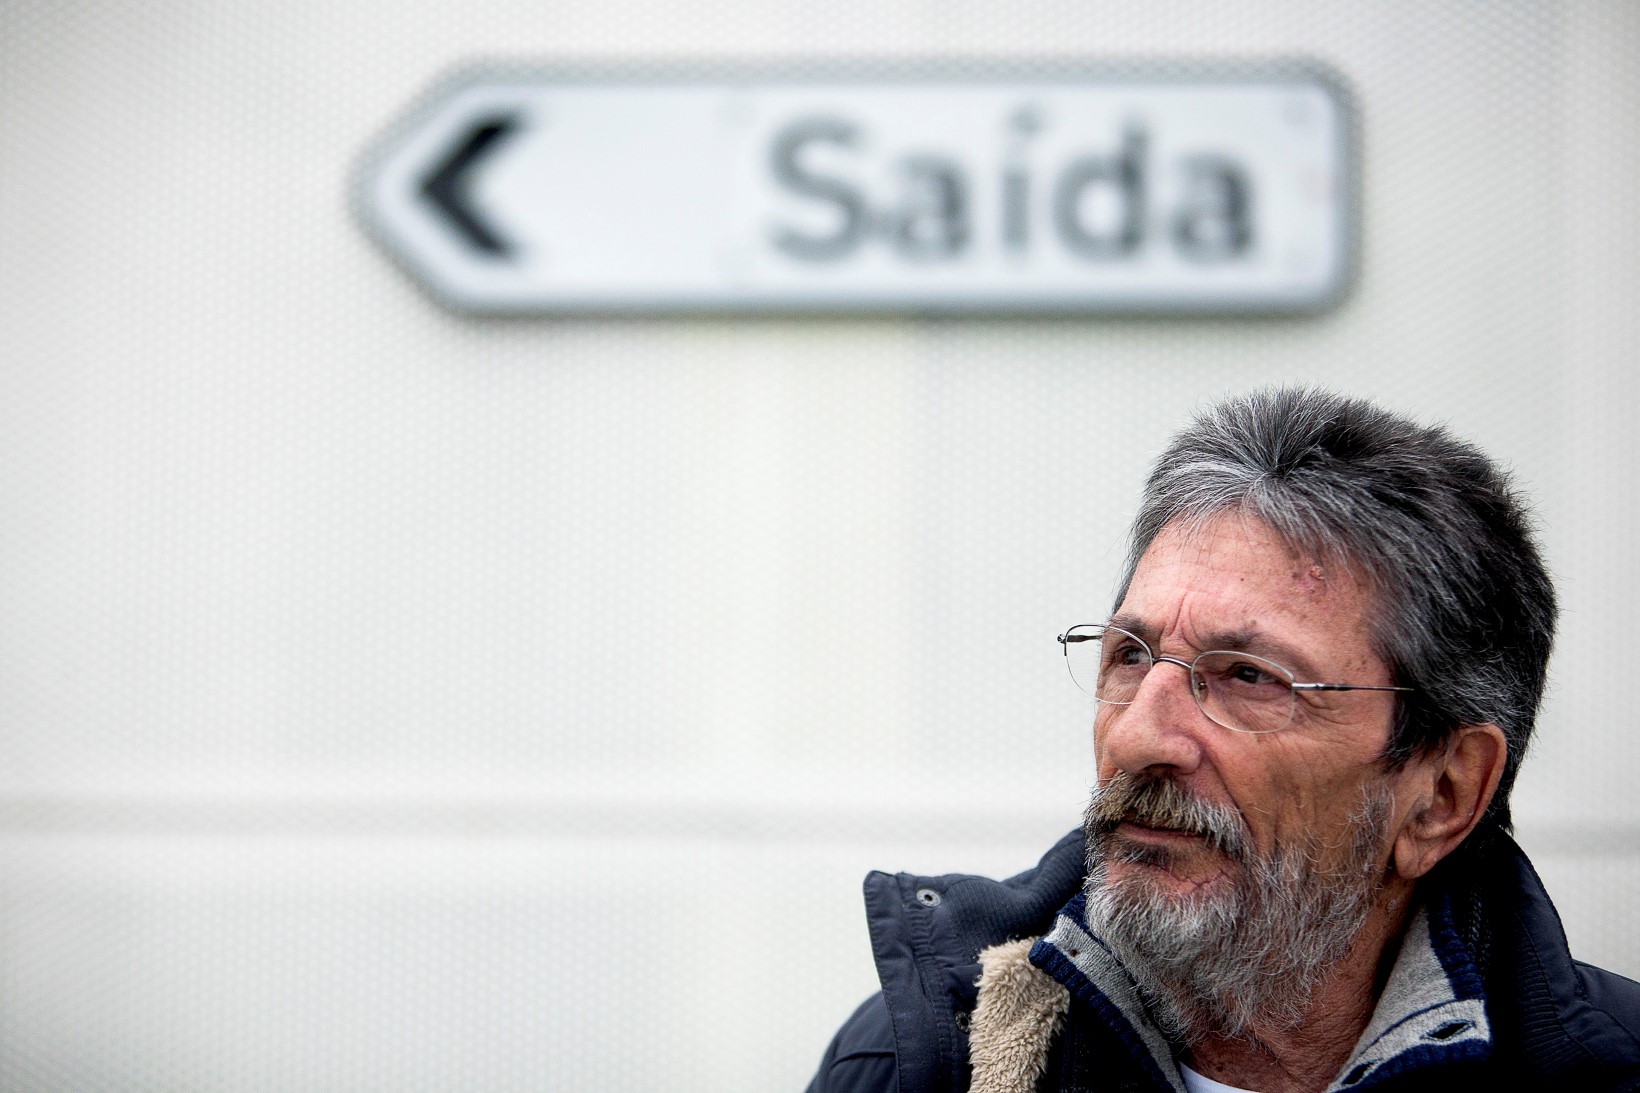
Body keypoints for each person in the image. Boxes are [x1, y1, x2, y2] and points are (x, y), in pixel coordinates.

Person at [806, 388, 1640, 1093]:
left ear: (1441, 794)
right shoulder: (924, 1061)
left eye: (1247, 676)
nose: (1139, 736)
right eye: (1131, 655)